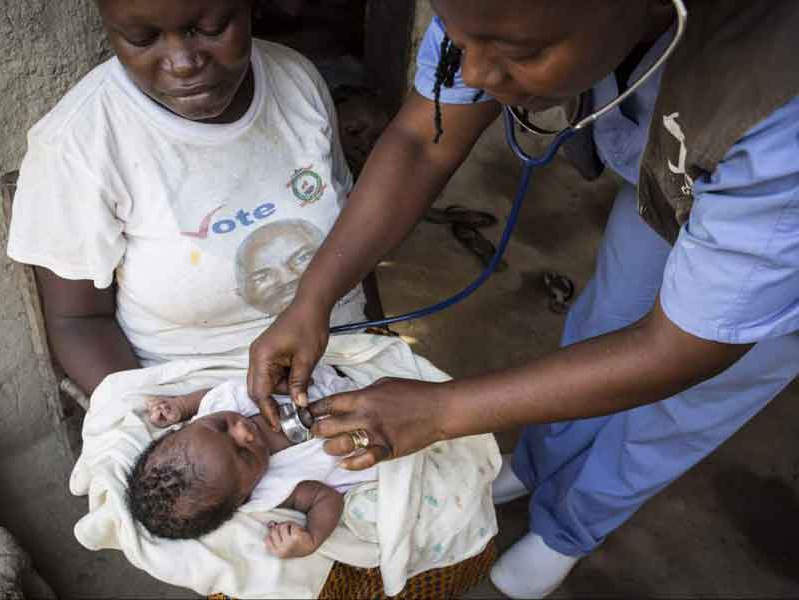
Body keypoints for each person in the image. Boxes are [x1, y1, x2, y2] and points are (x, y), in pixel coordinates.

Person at [245, 0, 799, 597]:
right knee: (605, 322)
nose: (475, 74)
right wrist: (313, 297)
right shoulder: (503, 15)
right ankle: (537, 464)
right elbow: (422, 140)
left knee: (687, 399)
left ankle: (574, 524)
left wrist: (443, 413)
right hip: (676, 175)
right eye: (461, 37)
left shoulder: (778, 118)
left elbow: (681, 350)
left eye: (521, 52)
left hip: (774, 232)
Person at [7, 0, 499, 596]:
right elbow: (77, 320)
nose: (183, 61)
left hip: (338, 350)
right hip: (198, 380)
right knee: (266, 562)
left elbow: (349, 235)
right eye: (142, 37)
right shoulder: (79, 144)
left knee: (442, 501)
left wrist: (368, 335)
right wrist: (179, 433)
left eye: (209, 27)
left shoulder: (295, 81)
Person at [128, 365, 376, 559]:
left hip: (345, 380)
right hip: (373, 435)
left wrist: (181, 405)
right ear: (242, 497)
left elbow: (211, 396)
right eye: (243, 453)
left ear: (190, 424)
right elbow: (325, 499)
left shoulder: (220, 405)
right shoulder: (270, 489)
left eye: (220, 425)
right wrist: (313, 537)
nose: (242, 431)